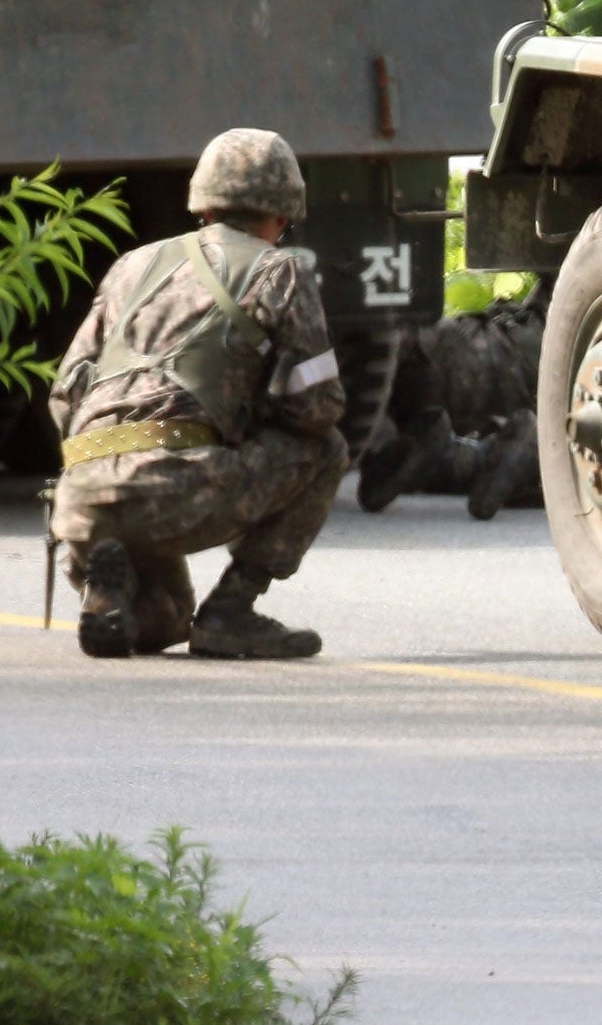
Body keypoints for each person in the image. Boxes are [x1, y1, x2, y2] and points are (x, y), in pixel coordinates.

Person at [49, 129, 346, 661]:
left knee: (164, 620)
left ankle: (108, 589)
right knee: (327, 451)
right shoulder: (280, 271)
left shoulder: (134, 266)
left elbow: (65, 394)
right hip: (177, 490)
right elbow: (316, 408)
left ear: (202, 204)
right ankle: (232, 611)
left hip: (81, 494)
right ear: (284, 215)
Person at [358, 282, 546, 520]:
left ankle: (408, 448)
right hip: (517, 374)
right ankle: (480, 454)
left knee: (361, 335)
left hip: (482, 360)